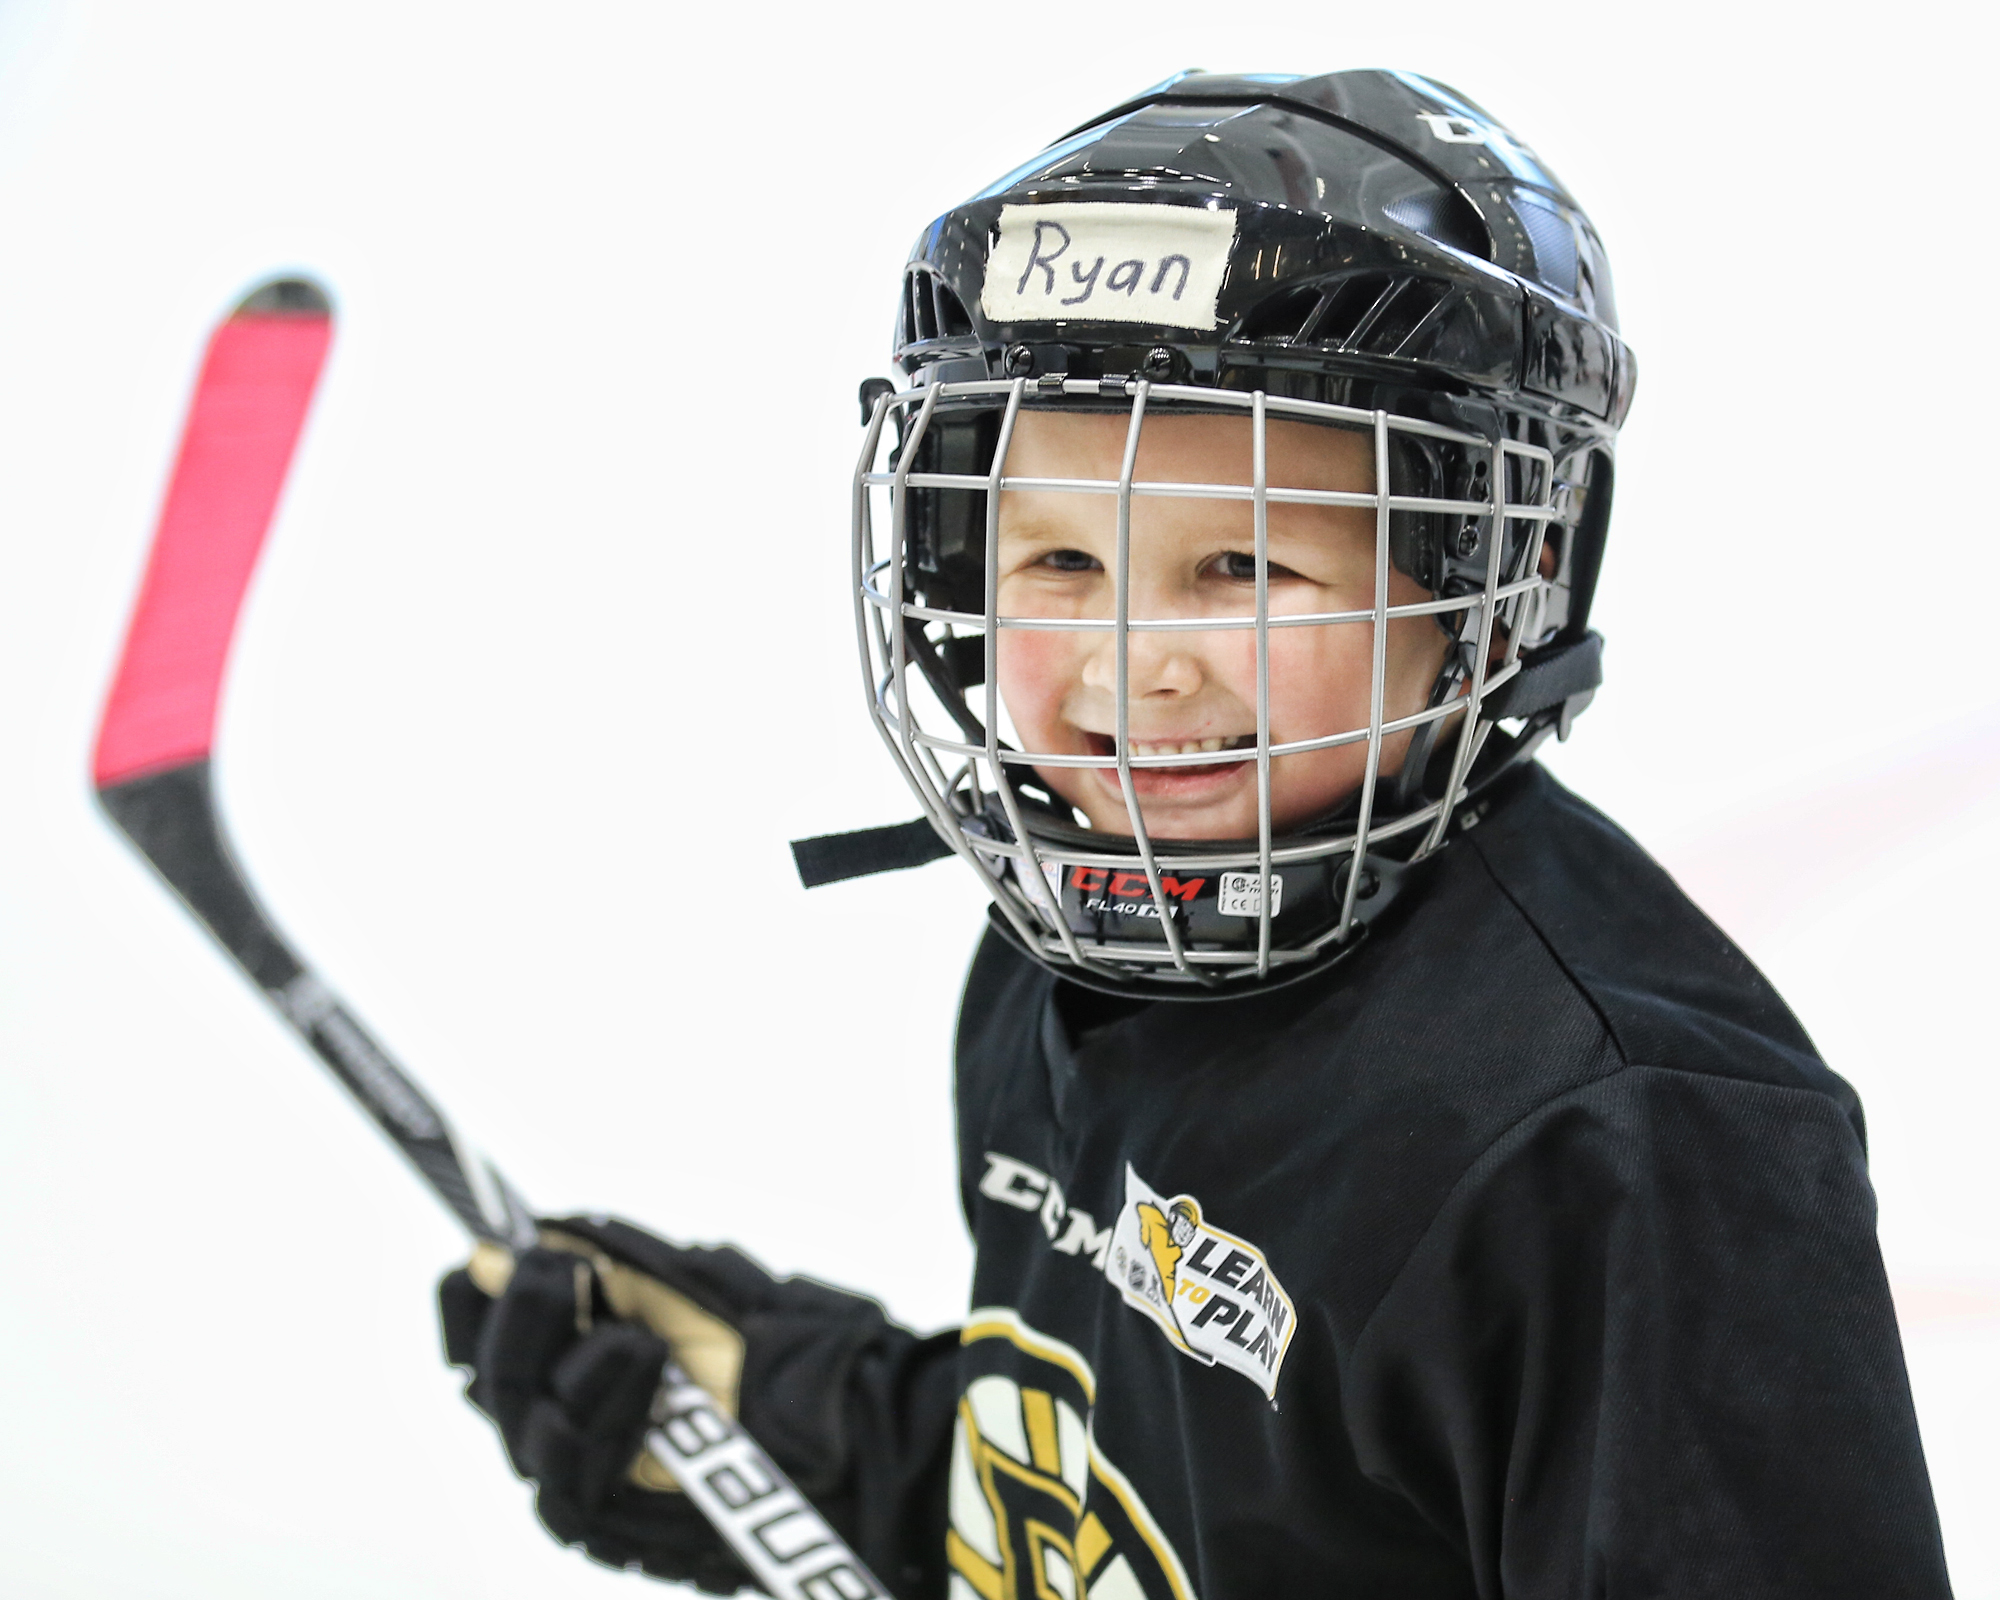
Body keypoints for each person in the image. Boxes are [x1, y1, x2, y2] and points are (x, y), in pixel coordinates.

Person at [437, 70, 1954, 1598]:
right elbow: (1138, 1496)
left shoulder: (1626, 1138)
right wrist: (776, 1419)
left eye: (1240, 562)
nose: (1129, 665)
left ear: (1499, 568)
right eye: (1057, 558)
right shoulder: (1077, 940)